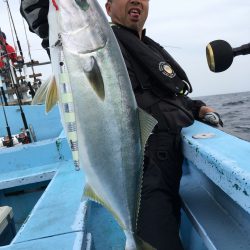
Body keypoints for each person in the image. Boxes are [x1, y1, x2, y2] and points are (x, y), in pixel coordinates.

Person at [20, 1, 221, 249]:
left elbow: (167, 95)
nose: (136, 0)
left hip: (169, 169)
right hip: (143, 177)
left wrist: (197, 107)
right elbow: (43, 18)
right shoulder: (102, 43)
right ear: (108, 7)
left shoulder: (147, 47)